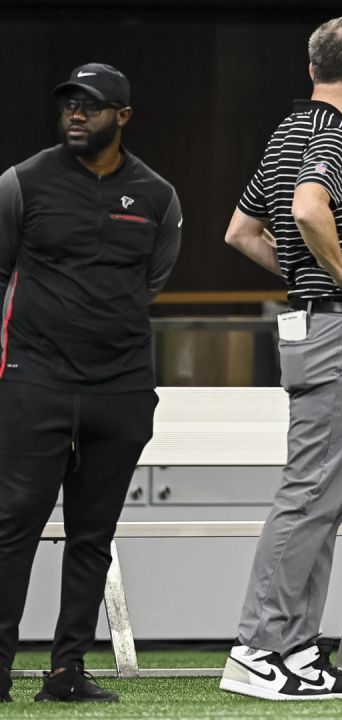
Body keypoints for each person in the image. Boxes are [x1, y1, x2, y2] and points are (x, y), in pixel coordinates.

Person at [219, 16, 342, 701]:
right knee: (310, 492)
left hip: (318, 327)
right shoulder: (329, 135)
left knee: (321, 496)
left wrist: (302, 277)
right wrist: (341, 275)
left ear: (313, 67)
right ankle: (258, 649)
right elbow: (309, 208)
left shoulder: (287, 133)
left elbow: (240, 232)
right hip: (338, 330)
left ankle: (295, 650)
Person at [0, 63, 181, 704]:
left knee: (91, 535)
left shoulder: (157, 196)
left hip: (121, 388)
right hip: (35, 380)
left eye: (93, 105)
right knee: (12, 524)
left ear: (122, 116)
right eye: (70, 103)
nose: (77, 114)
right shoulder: (22, 183)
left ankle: (65, 672)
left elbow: (151, 281)